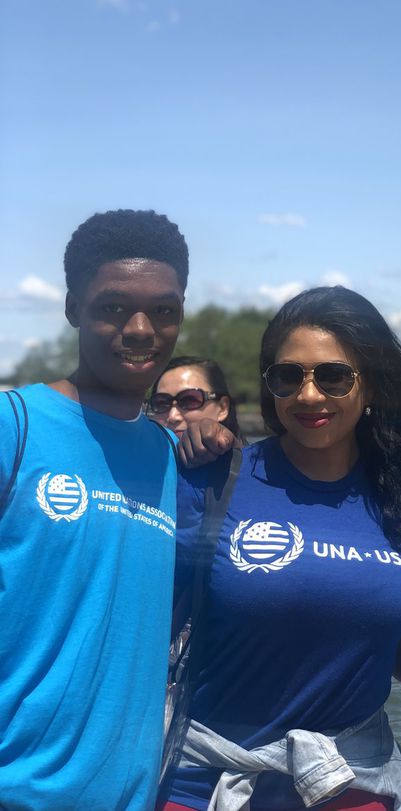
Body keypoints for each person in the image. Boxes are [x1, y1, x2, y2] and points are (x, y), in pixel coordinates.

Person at [161, 286, 401, 811]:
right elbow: (138, 626)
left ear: (372, 386)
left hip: (350, 784)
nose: (309, 395)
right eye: (288, 376)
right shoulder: (211, 481)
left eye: (334, 376)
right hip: (206, 785)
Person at [0, 208, 189, 811]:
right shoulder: (15, 427)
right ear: (71, 309)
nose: (141, 329)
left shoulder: (168, 454)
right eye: (113, 308)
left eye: (164, 310)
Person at [150, 356, 243, 441]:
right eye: (162, 403)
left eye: (189, 400)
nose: (173, 416)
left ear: (222, 408)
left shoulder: (248, 458)